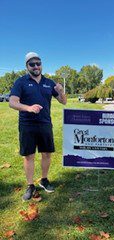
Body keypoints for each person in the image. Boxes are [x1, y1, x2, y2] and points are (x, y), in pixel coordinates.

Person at [9, 52, 67, 201]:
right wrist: (28, 108)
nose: (36, 66)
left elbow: (63, 101)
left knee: (47, 153)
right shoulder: (21, 82)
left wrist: (61, 92)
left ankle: (44, 180)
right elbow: (12, 102)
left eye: (38, 63)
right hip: (27, 124)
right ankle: (30, 185)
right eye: (32, 64)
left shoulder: (49, 82)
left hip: (45, 124)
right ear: (27, 66)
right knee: (29, 156)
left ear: (41, 64)